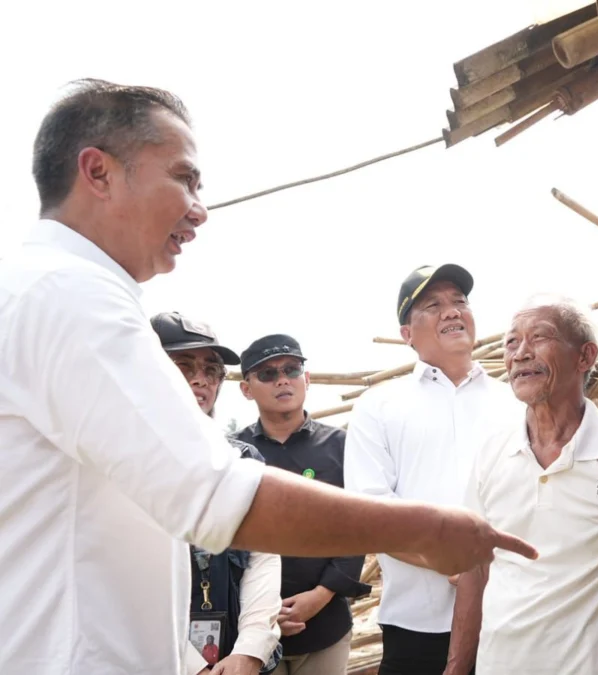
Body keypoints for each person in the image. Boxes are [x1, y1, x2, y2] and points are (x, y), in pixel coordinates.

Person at [0, 79, 535, 675]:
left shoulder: (46, 289)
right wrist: (430, 527)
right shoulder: (69, 295)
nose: (199, 209)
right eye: (184, 178)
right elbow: (218, 497)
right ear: (98, 172)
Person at [444, 296, 598, 675]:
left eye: (539, 337)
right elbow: (475, 571)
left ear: (585, 357)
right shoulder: (492, 452)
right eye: (512, 342)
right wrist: (456, 669)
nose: (521, 353)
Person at [344, 264, 525, 675]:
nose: (451, 311)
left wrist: (489, 568)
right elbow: (369, 514)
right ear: (407, 334)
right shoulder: (379, 406)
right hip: (417, 626)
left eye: (460, 301)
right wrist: (451, 561)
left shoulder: (515, 403)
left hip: (510, 615)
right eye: (433, 305)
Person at [151, 311, 284, 675]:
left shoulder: (241, 460)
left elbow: (263, 557)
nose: (200, 380)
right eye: (183, 365)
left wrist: (250, 651)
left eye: (211, 370)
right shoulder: (122, 460)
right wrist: (193, 665)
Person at [234, 334, 373, 674]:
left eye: (291, 369)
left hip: (325, 626)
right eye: (267, 374)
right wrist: (263, 613)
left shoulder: (341, 446)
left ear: (306, 379)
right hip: (249, 631)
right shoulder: (232, 454)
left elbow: (358, 530)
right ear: (247, 388)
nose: (282, 379)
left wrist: (320, 596)